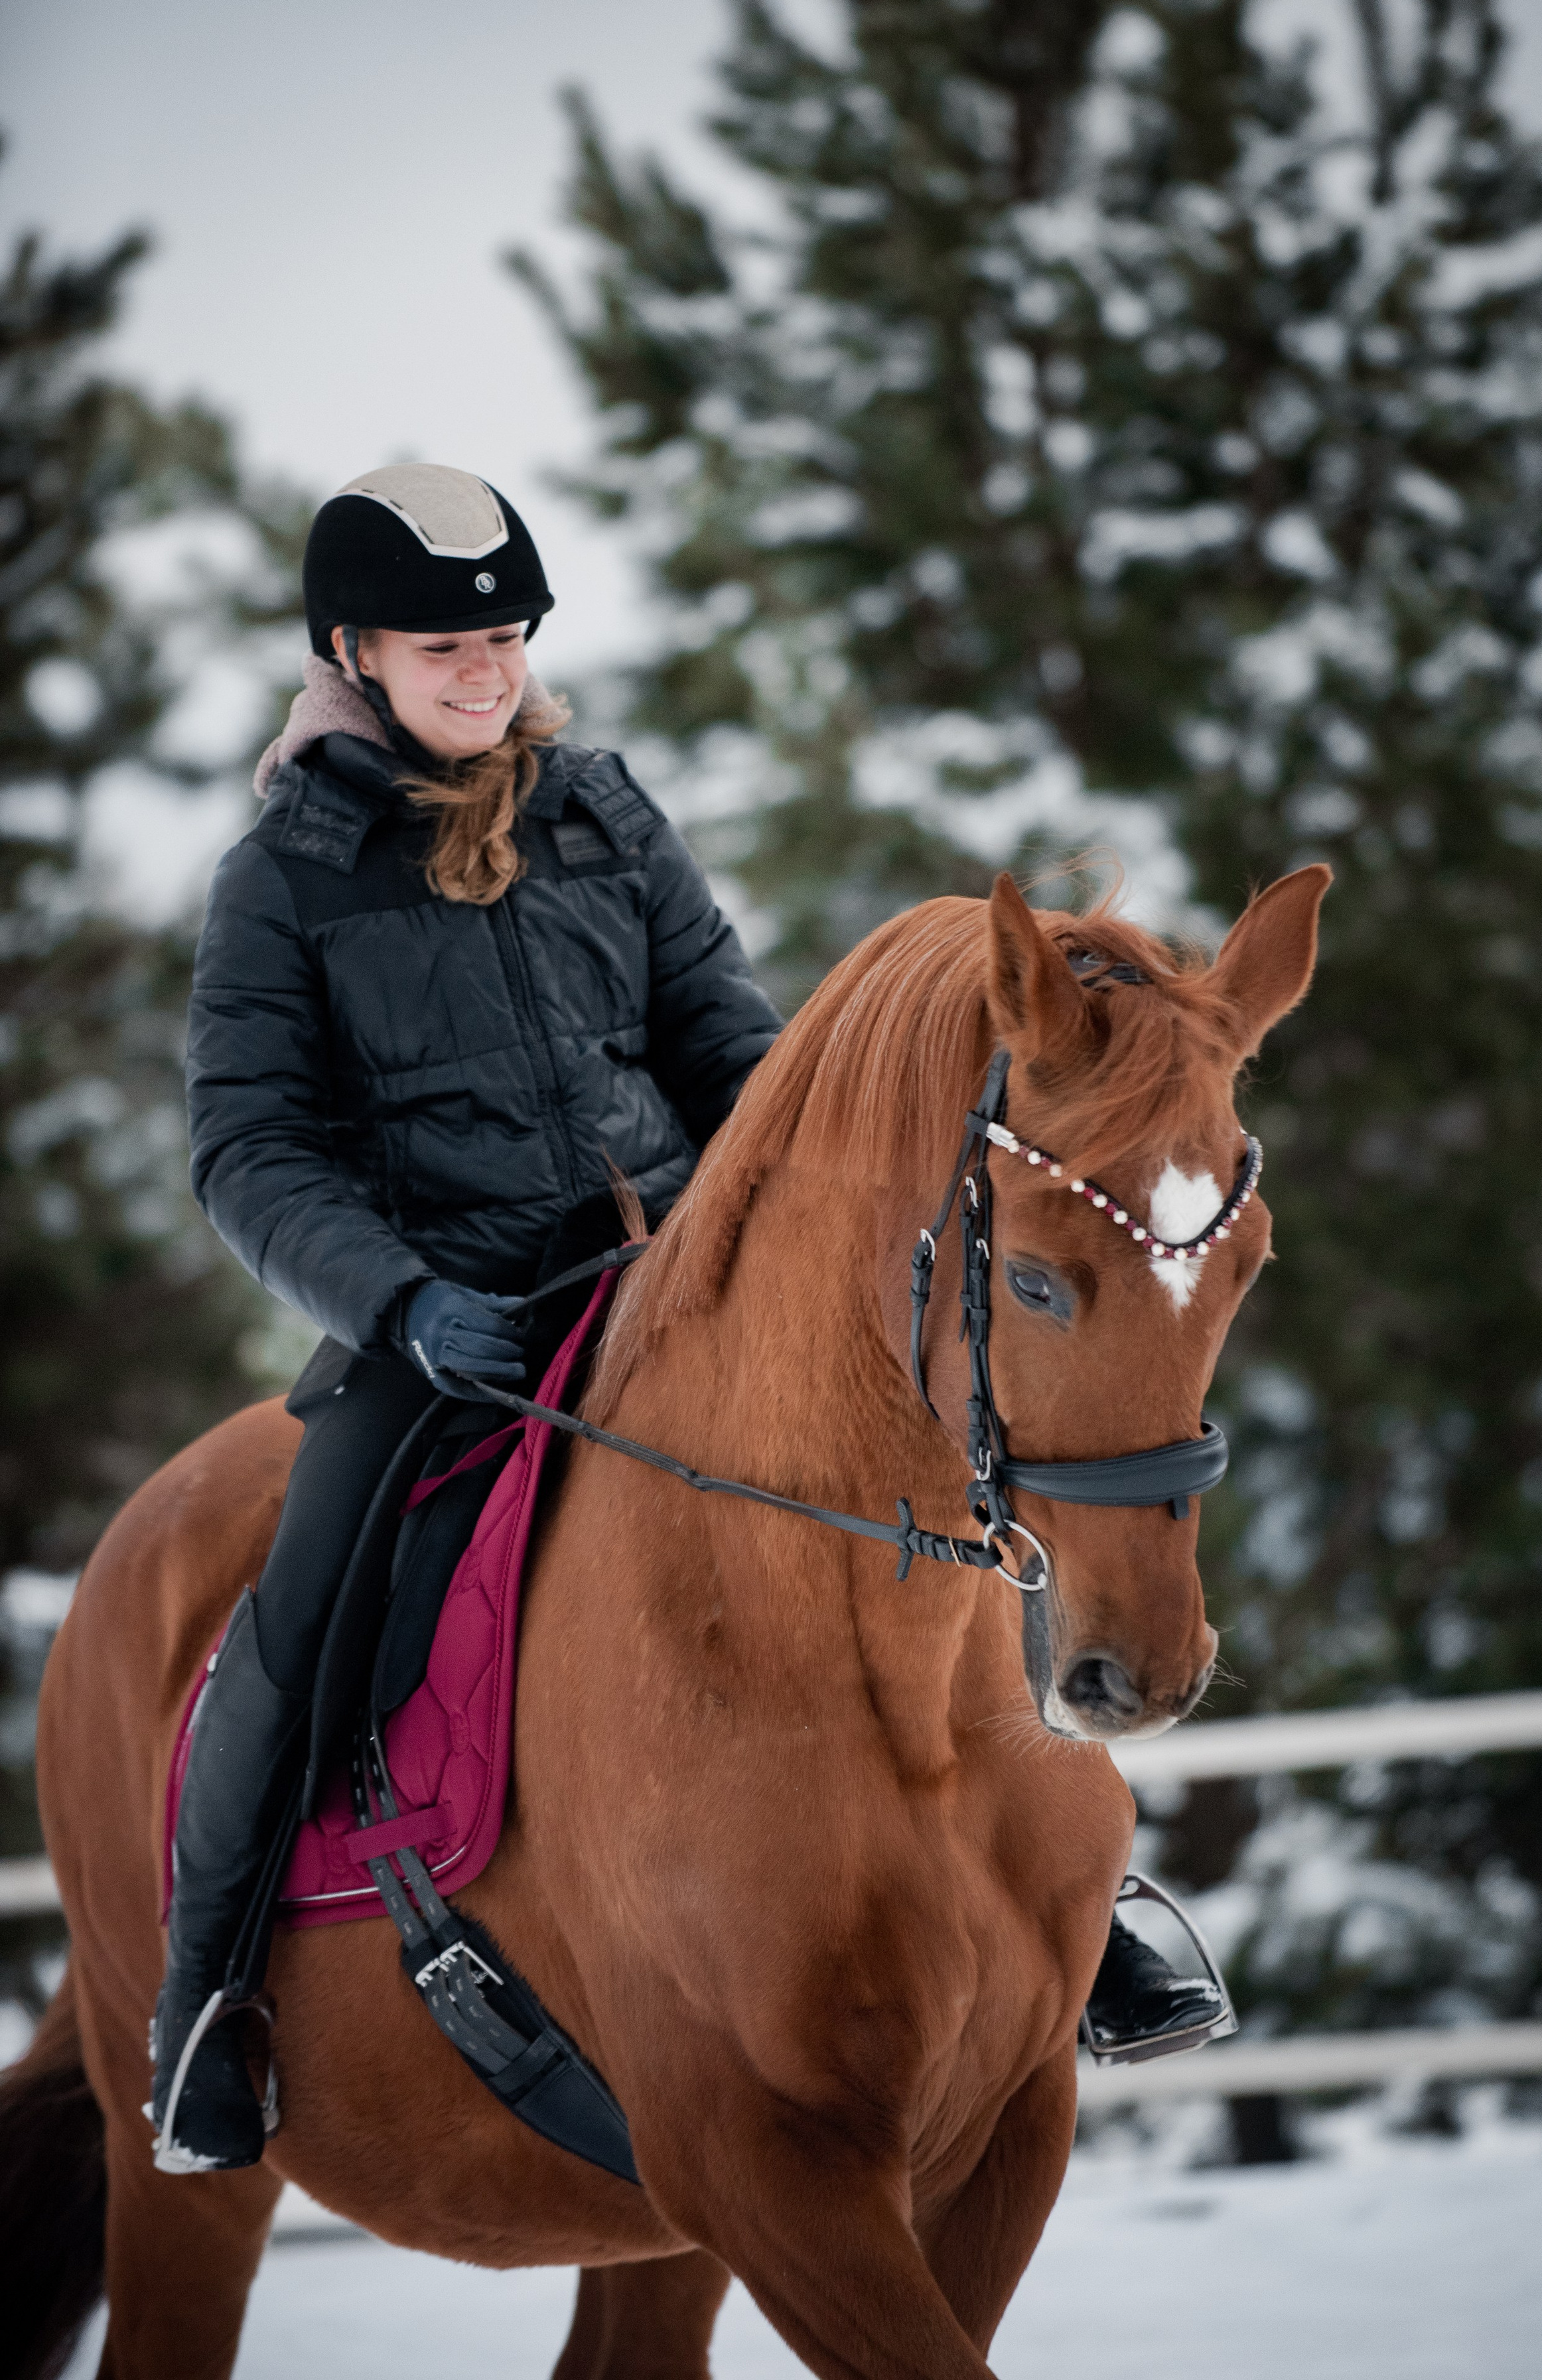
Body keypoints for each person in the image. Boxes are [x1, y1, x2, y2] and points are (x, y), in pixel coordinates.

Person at [151, 463, 1220, 2177]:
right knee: (301, 1605)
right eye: (445, 647)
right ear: (353, 650)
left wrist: (796, 1234)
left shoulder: (601, 808)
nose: (485, 671)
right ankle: (205, 2001)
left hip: (669, 1279)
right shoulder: (285, 876)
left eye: (503, 638)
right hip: (444, 1325)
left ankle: (1074, 1894)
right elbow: (247, 1148)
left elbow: (735, 1052)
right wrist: (405, 1299)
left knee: (958, 1448)